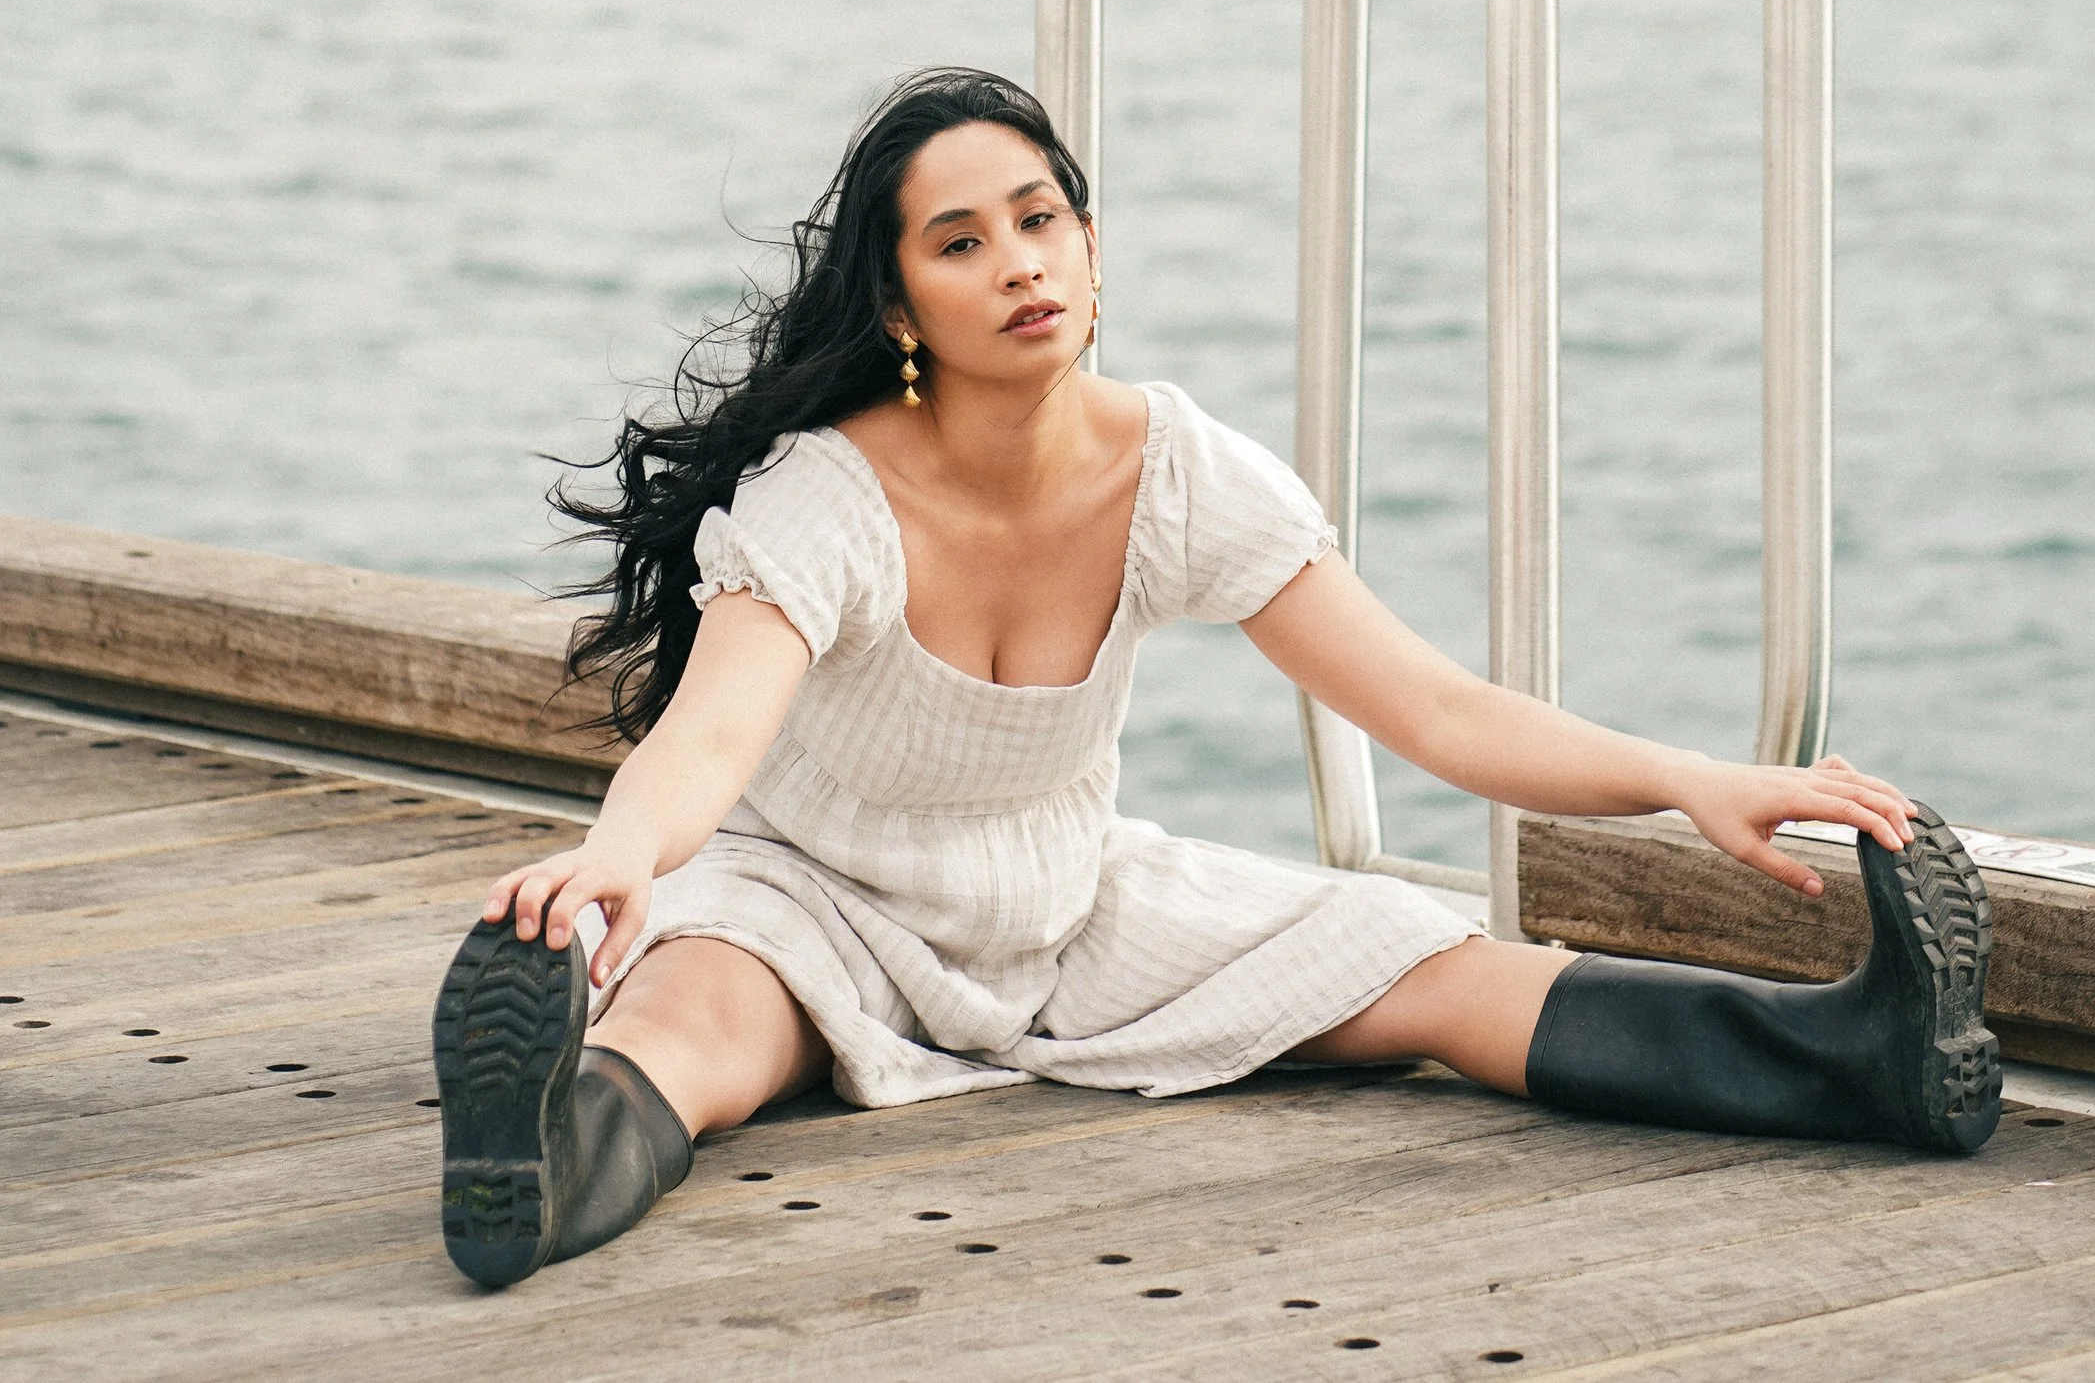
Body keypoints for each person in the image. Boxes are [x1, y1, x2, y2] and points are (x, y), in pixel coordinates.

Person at [433, 69, 1999, 1292]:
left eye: (1043, 220)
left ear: (1094, 248)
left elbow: (1437, 709)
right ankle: (544, 1164)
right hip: (812, 896)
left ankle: (1859, 1060)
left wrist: (1689, 778)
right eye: (961, 241)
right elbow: (710, 737)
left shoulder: (1174, 469)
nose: (1019, 265)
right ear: (900, 306)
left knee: (1431, 962)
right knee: (703, 1034)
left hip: (1065, 902)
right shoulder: (826, 498)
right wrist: (621, 863)